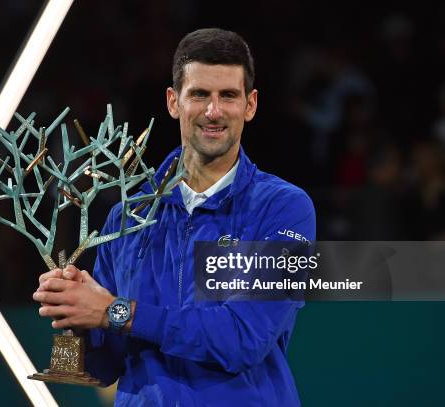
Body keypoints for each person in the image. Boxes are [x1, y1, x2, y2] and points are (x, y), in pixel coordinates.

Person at [33, 28, 315, 406]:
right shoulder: (126, 217)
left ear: (250, 105)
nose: (213, 112)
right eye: (199, 94)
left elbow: (243, 339)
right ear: (173, 101)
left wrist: (116, 311)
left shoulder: (284, 208)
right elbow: (106, 368)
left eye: (227, 96)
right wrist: (76, 314)